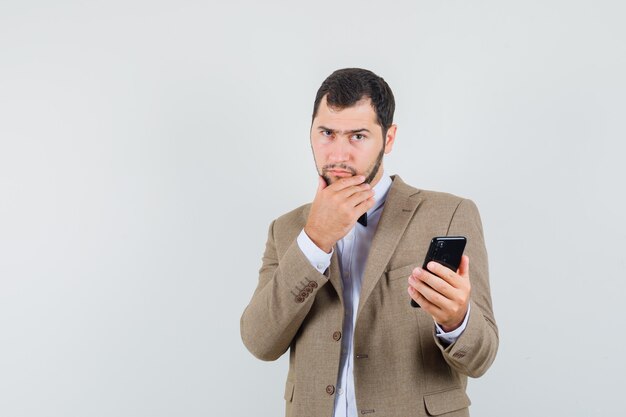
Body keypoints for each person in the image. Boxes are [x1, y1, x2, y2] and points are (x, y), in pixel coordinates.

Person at [240, 68, 498, 417]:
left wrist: (456, 321)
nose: (339, 153)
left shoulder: (449, 213)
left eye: (358, 136)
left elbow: (481, 358)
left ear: (388, 139)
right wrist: (314, 241)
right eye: (327, 133)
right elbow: (260, 342)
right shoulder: (286, 230)